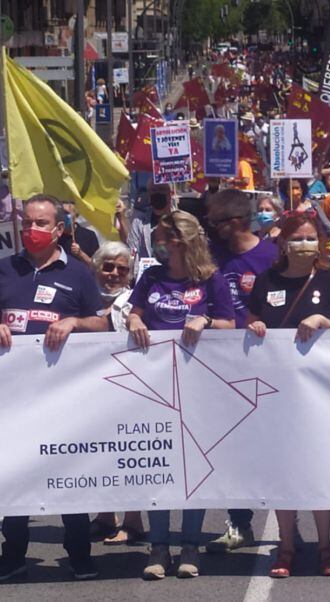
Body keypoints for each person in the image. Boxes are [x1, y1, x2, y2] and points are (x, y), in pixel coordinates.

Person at [0, 194, 114, 583]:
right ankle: (13, 554)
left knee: (67, 471)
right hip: (13, 393)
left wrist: (73, 323)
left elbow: (102, 323)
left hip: (63, 395)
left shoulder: (77, 275)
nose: (32, 230)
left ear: (58, 230)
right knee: (16, 474)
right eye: (27, 222)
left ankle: (79, 553)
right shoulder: (5, 268)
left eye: (41, 223)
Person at [126, 211, 235, 579]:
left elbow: (229, 323)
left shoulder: (209, 279)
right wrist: (135, 320)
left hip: (197, 385)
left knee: (192, 468)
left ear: (179, 240)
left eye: (161, 234)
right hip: (154, 384)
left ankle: (190, 545)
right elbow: (134, 313)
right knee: (157, 462)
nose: (155, 240)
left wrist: (204, 320)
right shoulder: (151, 276)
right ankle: (158, 546)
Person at [244, 213, 330, 578]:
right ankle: (286, 547)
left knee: (319, 469)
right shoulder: (266, 281)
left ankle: (325, 545)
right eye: (298, 238)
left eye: (311, 238)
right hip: (276, 395)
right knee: (284, 473)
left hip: (320, 395)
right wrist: (254, 325)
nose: (305, 245)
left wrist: (324, 323)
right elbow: (249, 322)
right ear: (282, 243)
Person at [204, 189, 278, 555]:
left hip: (266, 361)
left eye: (214, 223)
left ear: (233, 223)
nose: (210, 229)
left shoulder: (270, 255)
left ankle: (289, 525)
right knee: (228, 446)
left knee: (274, 444)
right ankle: (239, 522)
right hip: (220, 363)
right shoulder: (210, 256)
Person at [88, 241, 145, 545]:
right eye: (107, 266)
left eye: (121, 269)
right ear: (96, 266)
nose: (113, 273)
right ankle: (103, 515)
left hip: (128, 386)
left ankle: (133, 520)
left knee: (129, 454)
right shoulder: (83, 296)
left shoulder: (134, 301)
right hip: (90, 387)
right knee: (98, 452)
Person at [125, 180, 175, 259]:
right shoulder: (138, 221)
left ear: (171, 194)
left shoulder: (180, 220)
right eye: (153, 190)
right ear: (149, 195)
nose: (157, 193)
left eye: (162, 189)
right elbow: (132, 250)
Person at [61, 200, 100, 264]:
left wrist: (80, 254)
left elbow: (96, 265)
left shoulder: (89, 235)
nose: (63, 216)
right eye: (61, 213)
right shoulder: (55, 236)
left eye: (66, 213)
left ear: (76, 216)